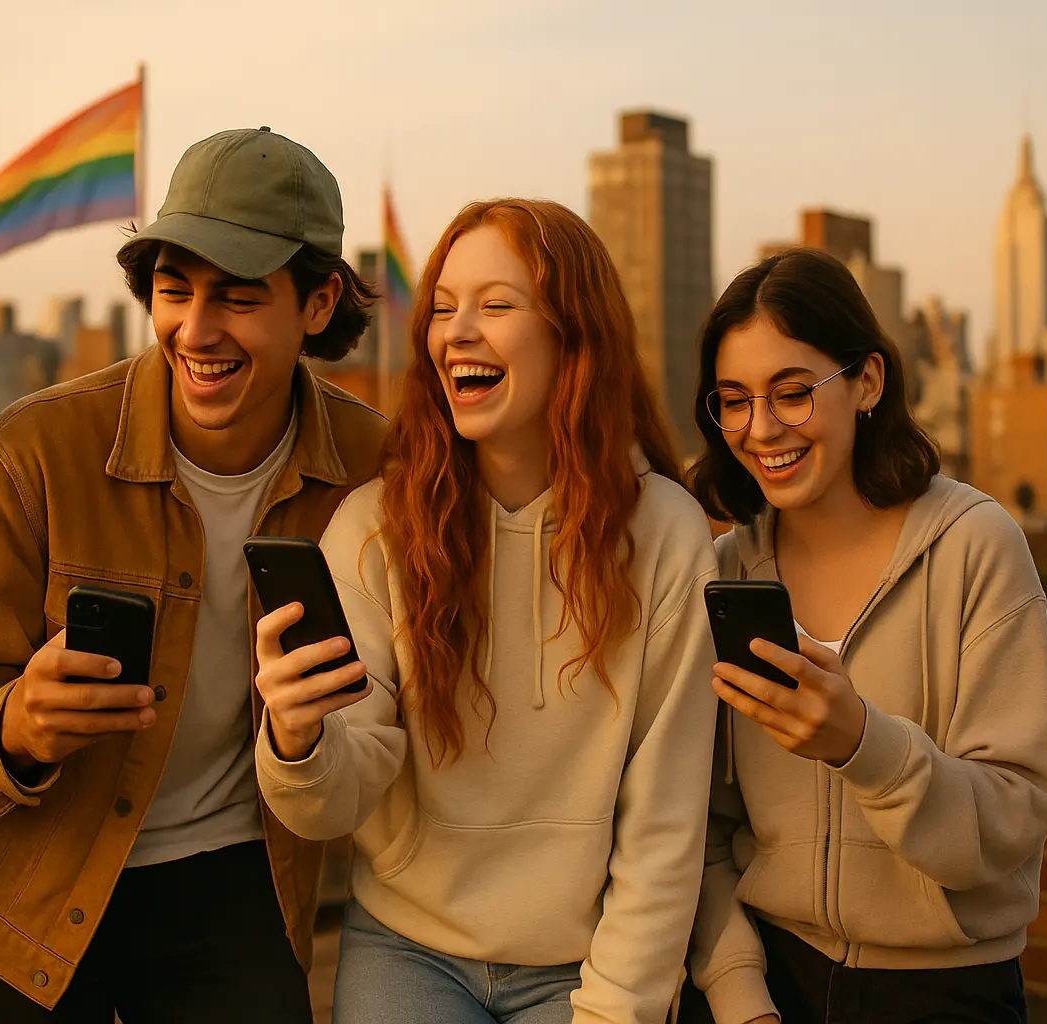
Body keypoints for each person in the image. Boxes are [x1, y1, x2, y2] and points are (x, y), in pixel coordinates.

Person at [0, 126, 387, 1022]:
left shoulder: (376, 466)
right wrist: (17, 724)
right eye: (174, 291)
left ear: (319, 303)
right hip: (25, 892)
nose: (195, 331)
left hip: (238, 881)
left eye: (238, 298)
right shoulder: (37, 451)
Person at [252, 198, 721, 1024]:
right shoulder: (374, 527)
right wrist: (298, 741)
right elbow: (333, 801)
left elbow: (666, 822)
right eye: (442, 308)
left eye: (497, 306)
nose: (455, 332)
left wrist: (616, 1012)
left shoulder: (667, 535)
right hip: (407, 947)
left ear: (574, 333)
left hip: (584, 962)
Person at [680, 248, 1047, 1024]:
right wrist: (737, 993)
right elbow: (701, 829)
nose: (760, 429)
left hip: (942, 990)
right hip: (766, 978)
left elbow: (1010, 824)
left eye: (791, 394)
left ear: (868, 382)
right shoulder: (727, 574)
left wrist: (863, 743)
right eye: (733, 400)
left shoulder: (974, 546)